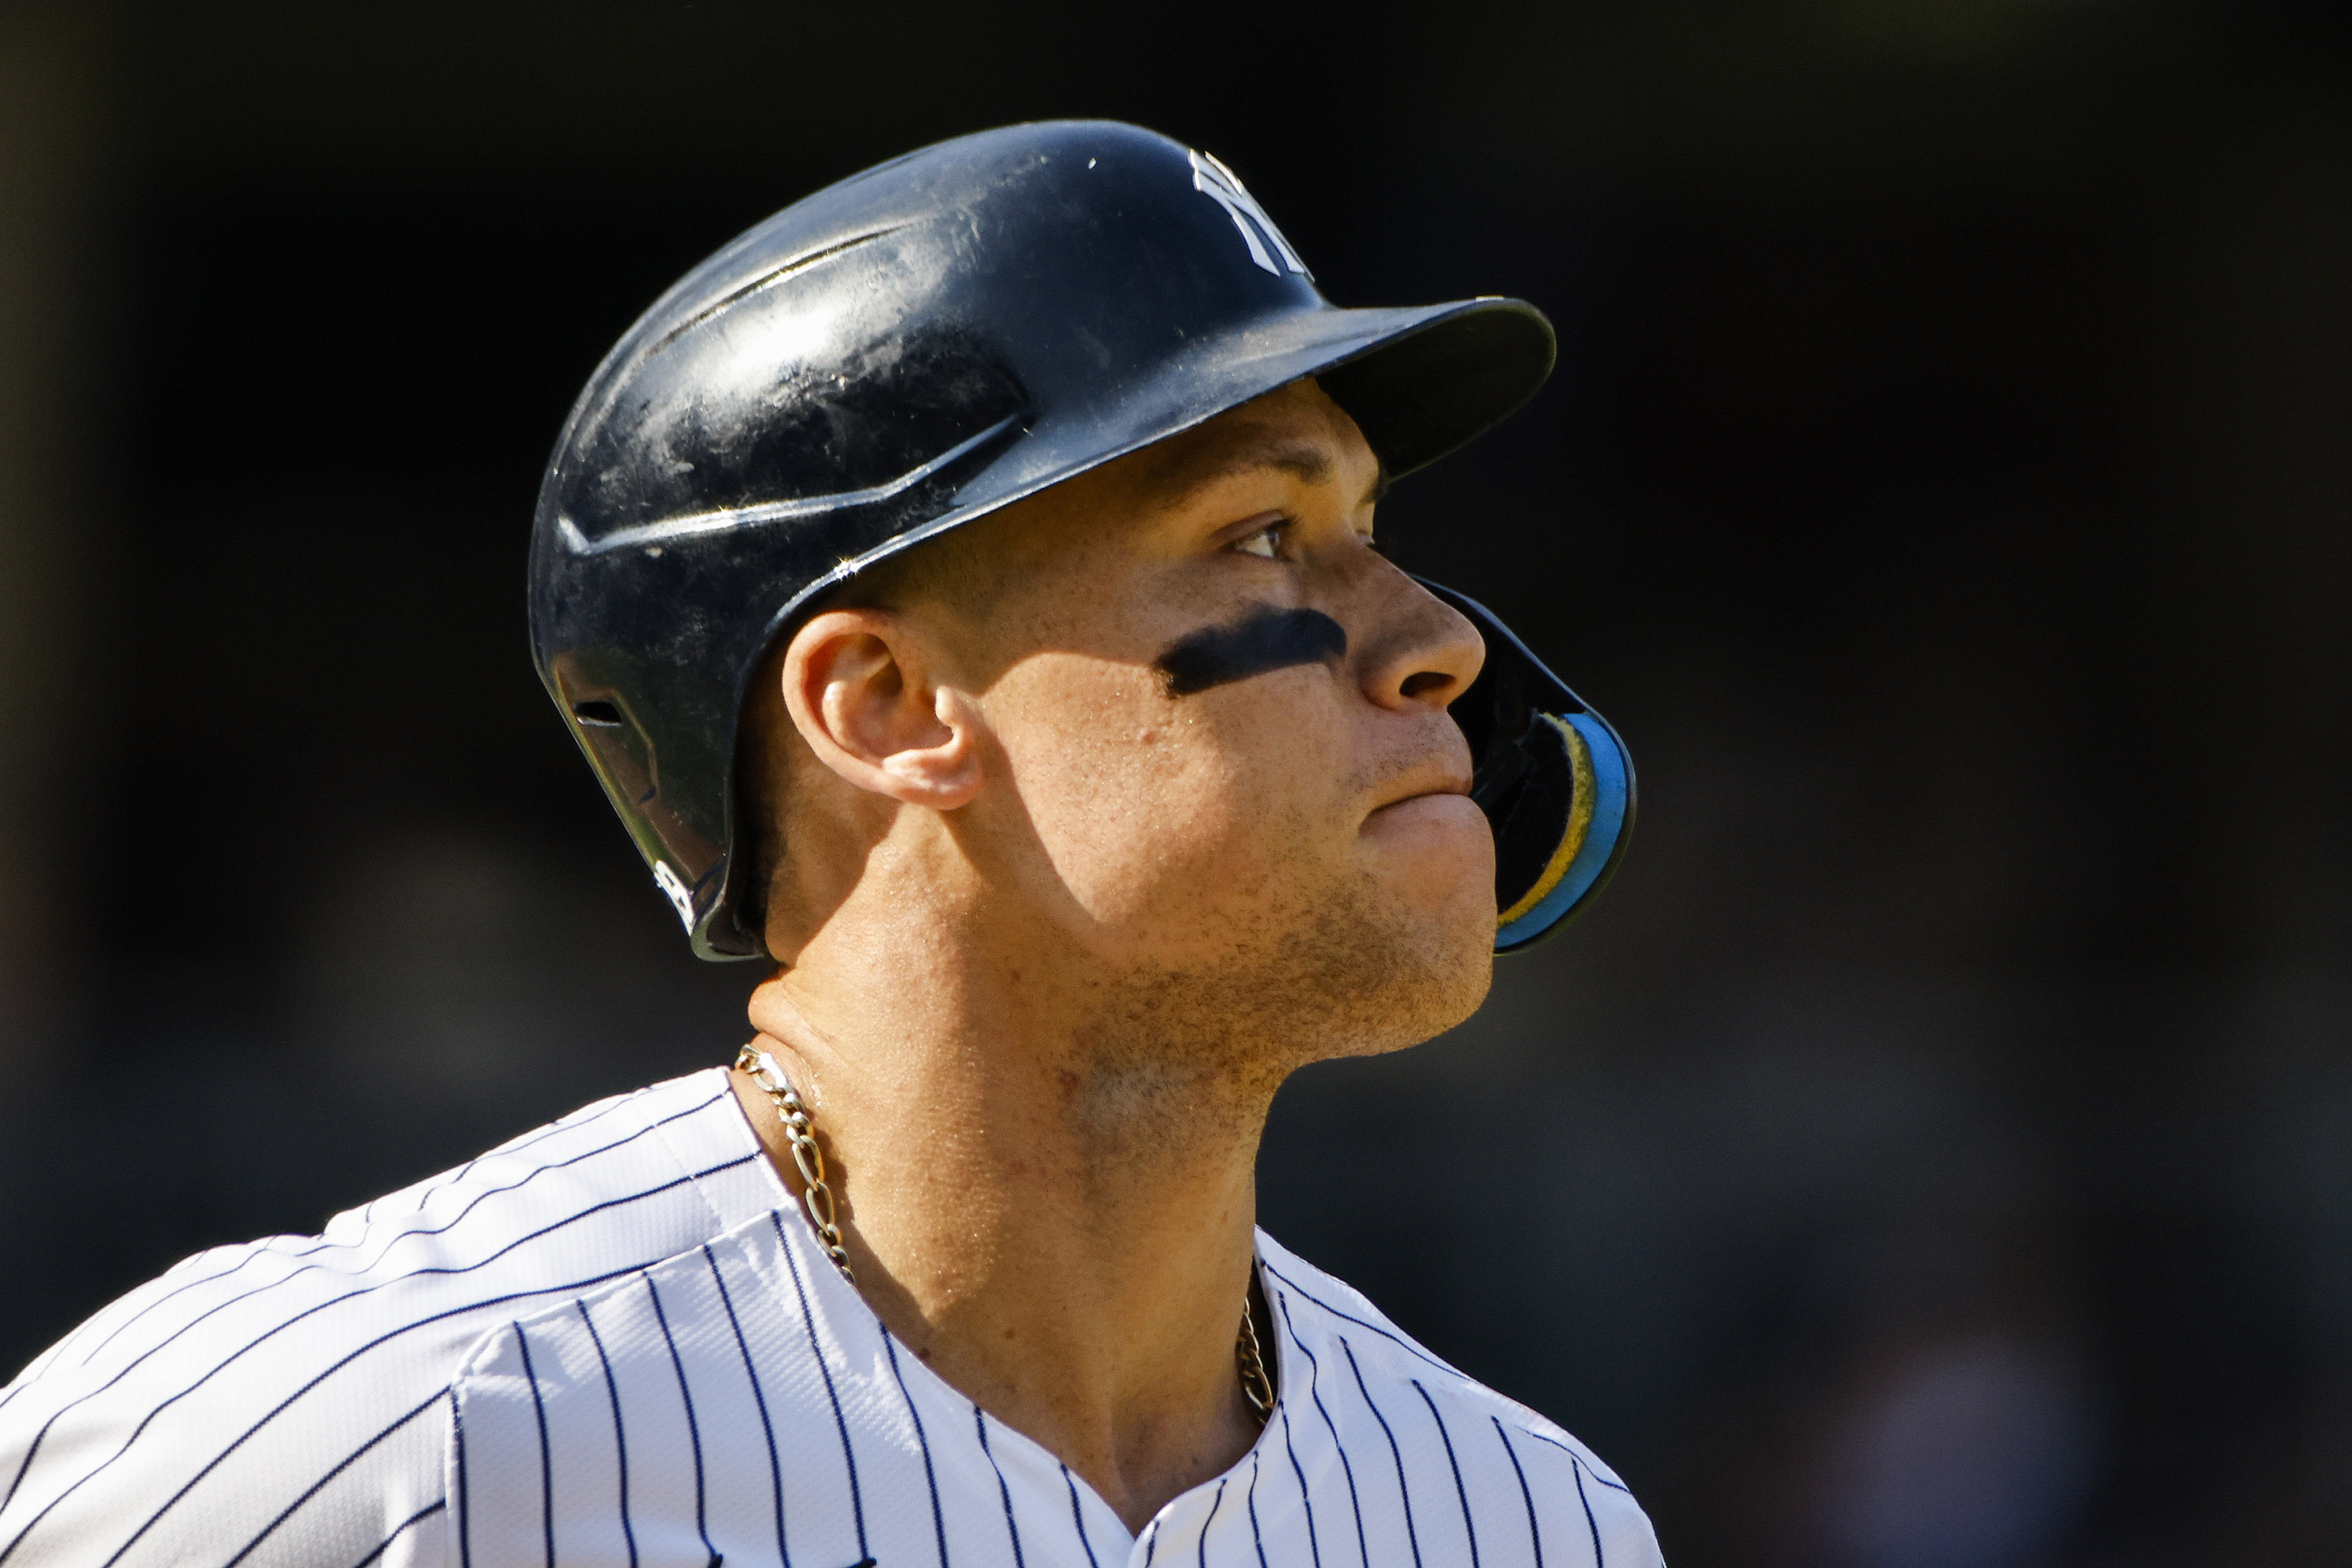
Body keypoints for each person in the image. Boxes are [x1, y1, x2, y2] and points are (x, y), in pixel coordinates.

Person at [0, 121, 1656, 1567]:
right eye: (1262, 534)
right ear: (882, 706)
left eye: (1372, 531)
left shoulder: (1521, 1520)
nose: (1435, 641)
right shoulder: (387, 1440)